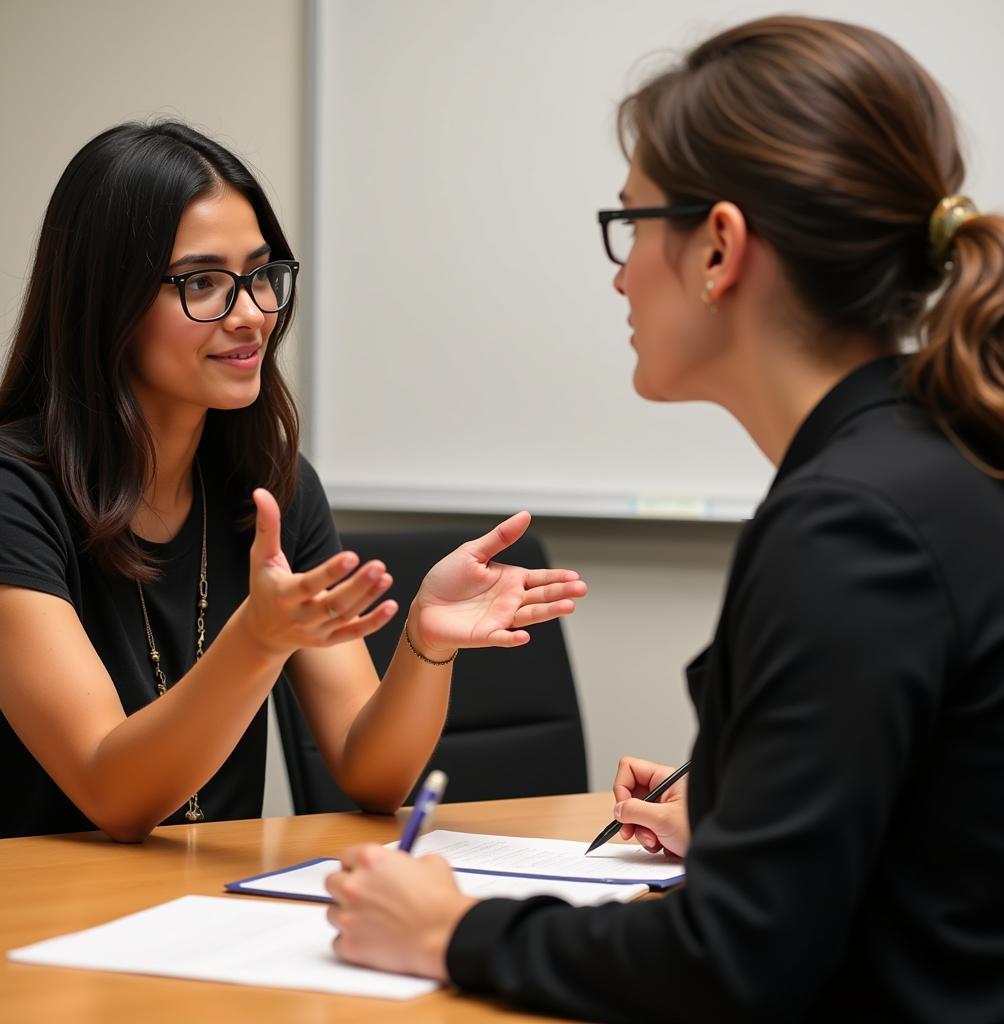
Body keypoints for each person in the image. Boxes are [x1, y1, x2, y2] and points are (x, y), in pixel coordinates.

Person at [324, 15, 1004, 1022]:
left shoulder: (853, 525)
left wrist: (448, 929)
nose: (619, 272)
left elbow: (734, 962)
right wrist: (745, 814)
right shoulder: (937, 463)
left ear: (718, 249)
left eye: (633, 225)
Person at [0, 121, 587, 842]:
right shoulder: (14, 492)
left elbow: (371, 774)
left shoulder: (272, 485)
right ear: (107, 300)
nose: (252, 315)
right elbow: (110, 792)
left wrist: (425, 642)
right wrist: (257, 639)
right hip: (39, 910)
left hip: (201, 909)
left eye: (260, 275)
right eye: (204, 283)